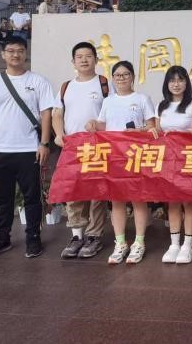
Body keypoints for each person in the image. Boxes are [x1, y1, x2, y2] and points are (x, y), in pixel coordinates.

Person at [0, 37, 54, 260]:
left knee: (32, 198)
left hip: (29, 150)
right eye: (11, 51)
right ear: (3, 54)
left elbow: (46, 114)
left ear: (26, 53)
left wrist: (44, 143)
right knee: (1, 199)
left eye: (20, 50)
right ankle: (1, 238)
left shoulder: (38, 81)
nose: (15, 55)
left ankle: (33, 238)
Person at [85, 61, 156, 265]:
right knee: (116, 200)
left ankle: (139, 242)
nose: (121, 78)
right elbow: (103, 124)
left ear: (132, 77)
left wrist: (139, 131)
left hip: (135, 155)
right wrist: (93, 124)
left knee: (138, 199)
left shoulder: (142, 98)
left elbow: (152, 127)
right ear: (113, 78)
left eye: (125, 74)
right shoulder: (108, 101)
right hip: (113, 156)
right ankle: (120, 243)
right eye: (117, 75)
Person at [53, 42, 113, 259]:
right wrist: (59, 134)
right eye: (79, 57)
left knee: (97, 192)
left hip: (98, 146)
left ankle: (94, 236)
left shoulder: (104, 83)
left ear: (96, 59)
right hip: (72, 147)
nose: (84, 60)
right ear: (73, 61)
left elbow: (114, 112)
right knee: (73, 190)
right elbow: (57, 113)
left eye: (88, 56)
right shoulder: (66, 86)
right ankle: (77, 236)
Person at [154, 66, 192, 264]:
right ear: (167, 84)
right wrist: (151, 131)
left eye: (180, 80)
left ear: (186, 83)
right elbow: (157, 131)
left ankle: (188, 245)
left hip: (188, 159)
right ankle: (174, 244)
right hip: (168, 160)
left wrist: (190, 131)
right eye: (172, 80)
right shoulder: (161, 106)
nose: (176, 84)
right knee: (172, 201)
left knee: (189, 201)